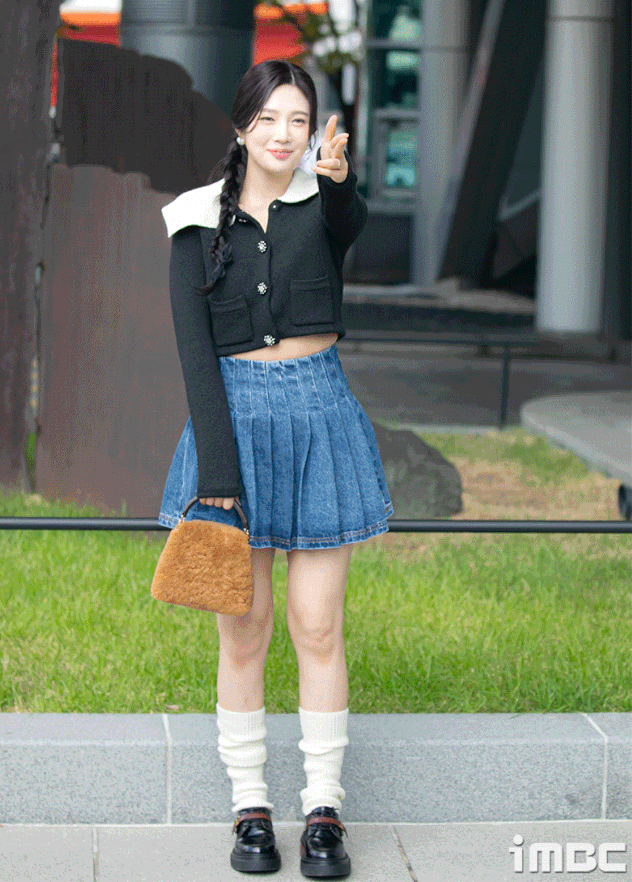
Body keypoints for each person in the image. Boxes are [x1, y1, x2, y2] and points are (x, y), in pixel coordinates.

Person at [158, 59, 394, 878]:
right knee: (245, 627)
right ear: (241, 126)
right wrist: (217, 476)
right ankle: (250, 807)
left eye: (298, 119)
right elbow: (195, 357)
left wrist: (338, 179)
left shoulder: (323, 203)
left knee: (317, 625)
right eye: (269, 120)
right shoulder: (193, 219)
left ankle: (323, 811)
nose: (284, 135)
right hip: (234, 421)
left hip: (320, 414)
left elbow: (351, 221)